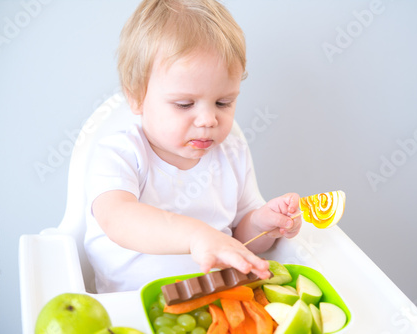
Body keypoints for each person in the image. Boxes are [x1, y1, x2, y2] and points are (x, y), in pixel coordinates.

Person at [84, 0, 302, 293]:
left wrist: (263, 225)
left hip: (218, 300)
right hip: (131, 307)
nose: (208, 119)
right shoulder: (120, 153)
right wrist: (196, 235)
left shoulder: (233, 154)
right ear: (136, 96)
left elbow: (242, 237)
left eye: (223, 102)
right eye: (185, 104)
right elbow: (118, 219)